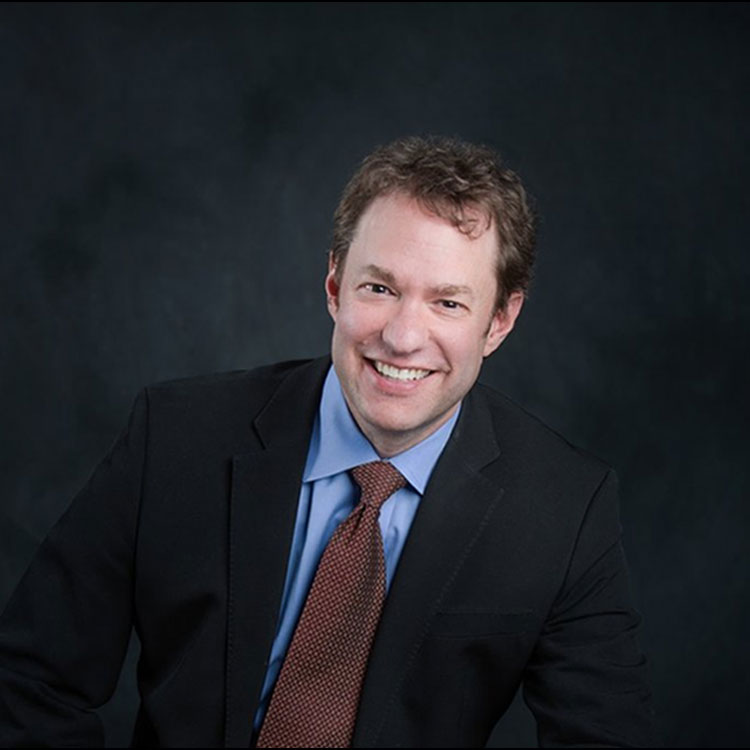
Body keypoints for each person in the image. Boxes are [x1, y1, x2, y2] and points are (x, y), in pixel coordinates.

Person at [0, 136, 655, 747]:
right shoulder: (176, 437)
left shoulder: (563, 511)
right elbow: (29, 680)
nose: (402, 337)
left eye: (448, 303)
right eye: (380, 288)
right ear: (335, 285)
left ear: (500, 321)